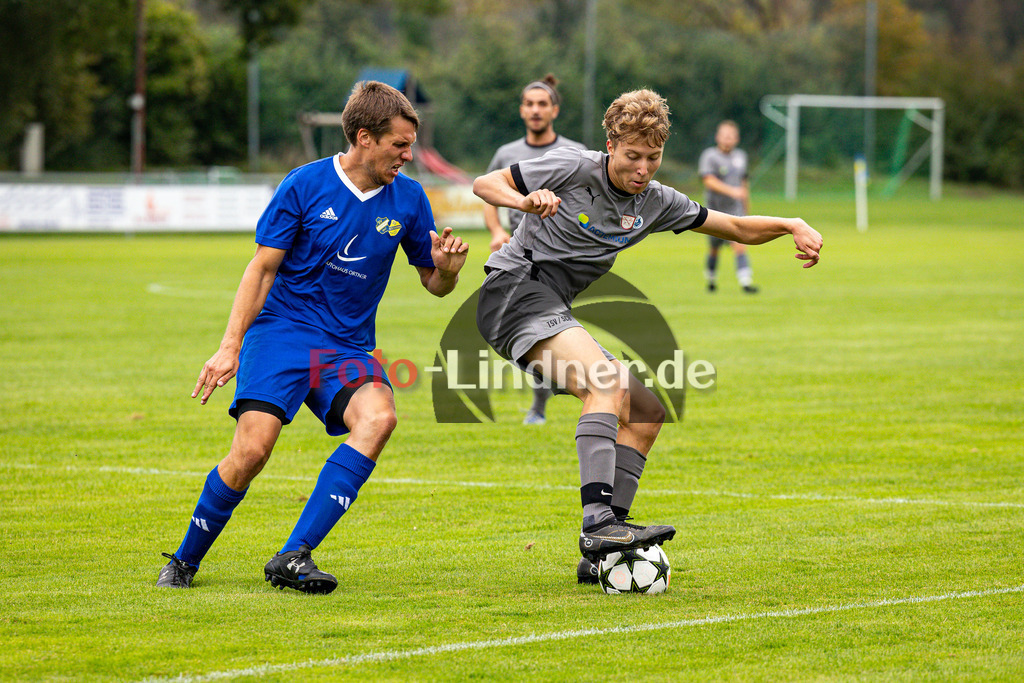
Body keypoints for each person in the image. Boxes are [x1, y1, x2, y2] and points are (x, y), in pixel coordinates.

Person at [472, 89, 821, 585]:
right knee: (605, 383)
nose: (642, 169)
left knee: (646, 413)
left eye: (653, 157)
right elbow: (485, 183)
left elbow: (738, 228)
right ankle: (598, 525)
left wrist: (790, 224)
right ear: (610, 145)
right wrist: (523, 200)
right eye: (632, 156)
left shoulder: (656, 201)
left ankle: (603, 551)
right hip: (513, 290)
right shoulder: (572, 166)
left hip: (550, 305)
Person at [156, 81, 469, 594]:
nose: (408, 156)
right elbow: (261, 269)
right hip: (282, 333)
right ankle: (185, 560)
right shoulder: (304, 184)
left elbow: (434, 284)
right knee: (252, 451)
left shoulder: (410, 198)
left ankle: (294, 555)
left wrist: (449, 271)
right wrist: (230, 346)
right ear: (364, 137)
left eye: (410, 145)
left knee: (379, 417)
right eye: (399, 144)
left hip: (346, 347)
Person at [483, 75, 587, 426]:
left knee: (541, 329)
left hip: (560, 259)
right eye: (529, 104)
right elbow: (489, 196)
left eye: (542, 104)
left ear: (555, 110)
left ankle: (551, 399)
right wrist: (497, 230)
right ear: (521, 110)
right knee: (527, 328)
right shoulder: (507, 154)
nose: (535, 110)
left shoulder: (574, 152)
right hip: (519, 257)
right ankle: (548, 398)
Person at [698, 120, 758, 293]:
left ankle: (745, 282)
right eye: (725, 136)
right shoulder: (710, 156)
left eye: (731, 136)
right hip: (713, 211)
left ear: (737, 139)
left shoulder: (741, 157)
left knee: (739, 244)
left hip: (735, 211)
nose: (727, 139)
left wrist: (746, 208)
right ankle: (711, 279)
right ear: (718, 137)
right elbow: (708, 180)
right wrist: (732, 191)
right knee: (714, 248)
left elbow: (744, 185)